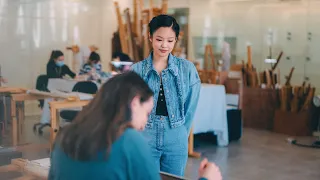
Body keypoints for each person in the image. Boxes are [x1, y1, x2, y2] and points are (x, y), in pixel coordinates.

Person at [49, 71, 221, 180]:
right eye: (147, 113)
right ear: (134, 103)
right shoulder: (128, 141)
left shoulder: (65, 135)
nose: (145, 123)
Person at [131, 14, 201, 176]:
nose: (164, 45)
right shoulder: (137, 70)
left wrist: (182, 132)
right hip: (144, 136)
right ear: (150, 37)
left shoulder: (187, 69)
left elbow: (190, 107)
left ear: (176, 39)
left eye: (170, 41)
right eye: (159, 39)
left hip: (176, 136)